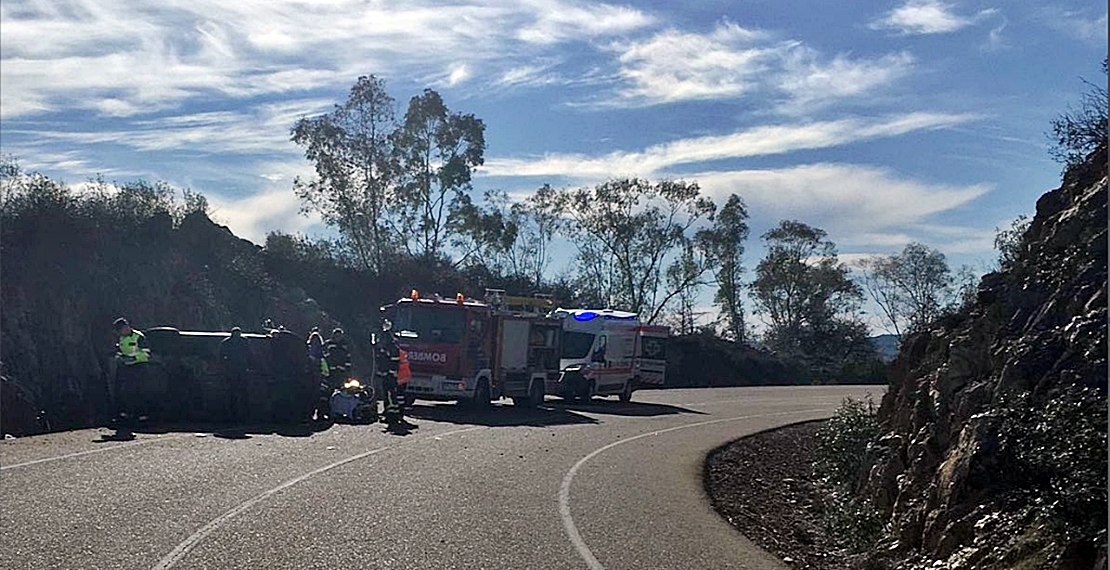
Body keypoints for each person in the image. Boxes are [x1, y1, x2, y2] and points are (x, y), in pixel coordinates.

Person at [375, 320, 413, 429]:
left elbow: (393, 363)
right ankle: (392, 414)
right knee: (391, 396)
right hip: (393, 376)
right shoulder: (389, 348)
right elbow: (382, 360)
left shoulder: (393, 349)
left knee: (394, 397)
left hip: (395, 377)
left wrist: (389, 373)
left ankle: (394, 415)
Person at [112, 317, 151, 425]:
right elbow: (120, 350)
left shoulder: (139, 337)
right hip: (126, 368)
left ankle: (143, 415)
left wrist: (134, 358)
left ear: (126, 327)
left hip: (139, 367)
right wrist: (120, 357)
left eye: (122, 330)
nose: (121, 333)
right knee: (127, 392)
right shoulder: (121, 338)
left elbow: (147, 354)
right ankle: (128, 414)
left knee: (139, 391)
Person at [219, 327, 251, 423]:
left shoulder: (226, 342)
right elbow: (250, 355)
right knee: (239, 392)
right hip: (238, 369)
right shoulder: (243, 342)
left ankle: (235, 413)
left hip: (234, 369)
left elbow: (221, 356)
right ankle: (240, 413)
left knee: (234, 392)